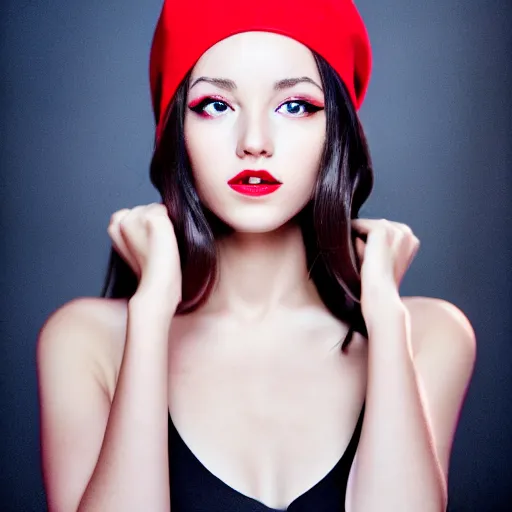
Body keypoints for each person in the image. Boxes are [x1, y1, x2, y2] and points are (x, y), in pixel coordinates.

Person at [36, 0, 477, 511]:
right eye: (215, 106)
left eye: (294, 106)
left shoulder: (426, 334)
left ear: (335, 130)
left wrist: (383, 313)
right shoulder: (88, 341)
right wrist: (151, 314)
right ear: (176, 128)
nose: (254, 142)